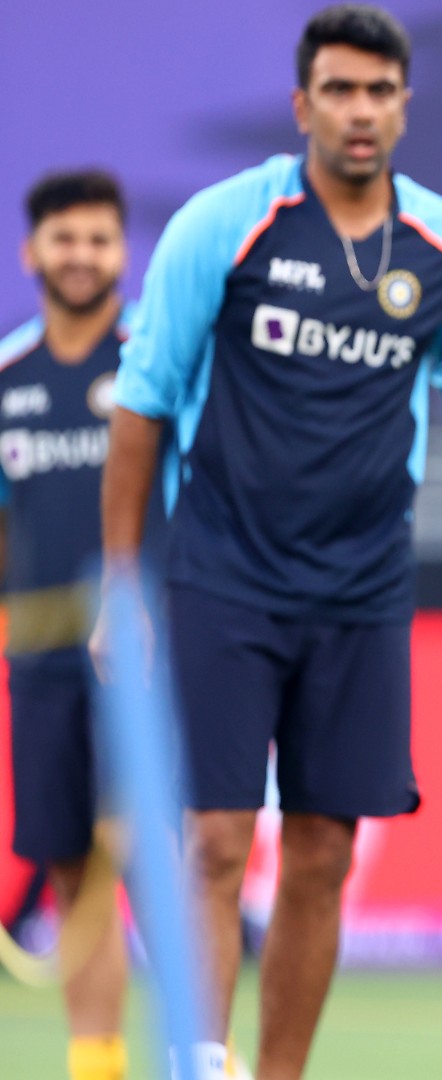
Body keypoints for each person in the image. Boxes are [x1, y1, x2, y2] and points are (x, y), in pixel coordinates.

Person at [96, 7, 442, 1077]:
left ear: (404, 107)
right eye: (339, 90)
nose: (360, 111)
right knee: (213, 841)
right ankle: (199, 1062)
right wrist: (120, 585)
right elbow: (143, 406)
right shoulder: (226, 224)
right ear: (303, 105)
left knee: (322, 853)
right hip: (223, 572)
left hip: (362, 588)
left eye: (379, 92)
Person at [2, 169, 136, 1080]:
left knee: (172, 868)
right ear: (32, 252)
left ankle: (204, 1054)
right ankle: (98, 1066)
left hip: (149, 670)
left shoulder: (154, 366)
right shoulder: (6, 376)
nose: (81, 255)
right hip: (41, 664)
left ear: (123, 252)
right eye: (64, 238)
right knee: (74, 877)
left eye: (98, 239)